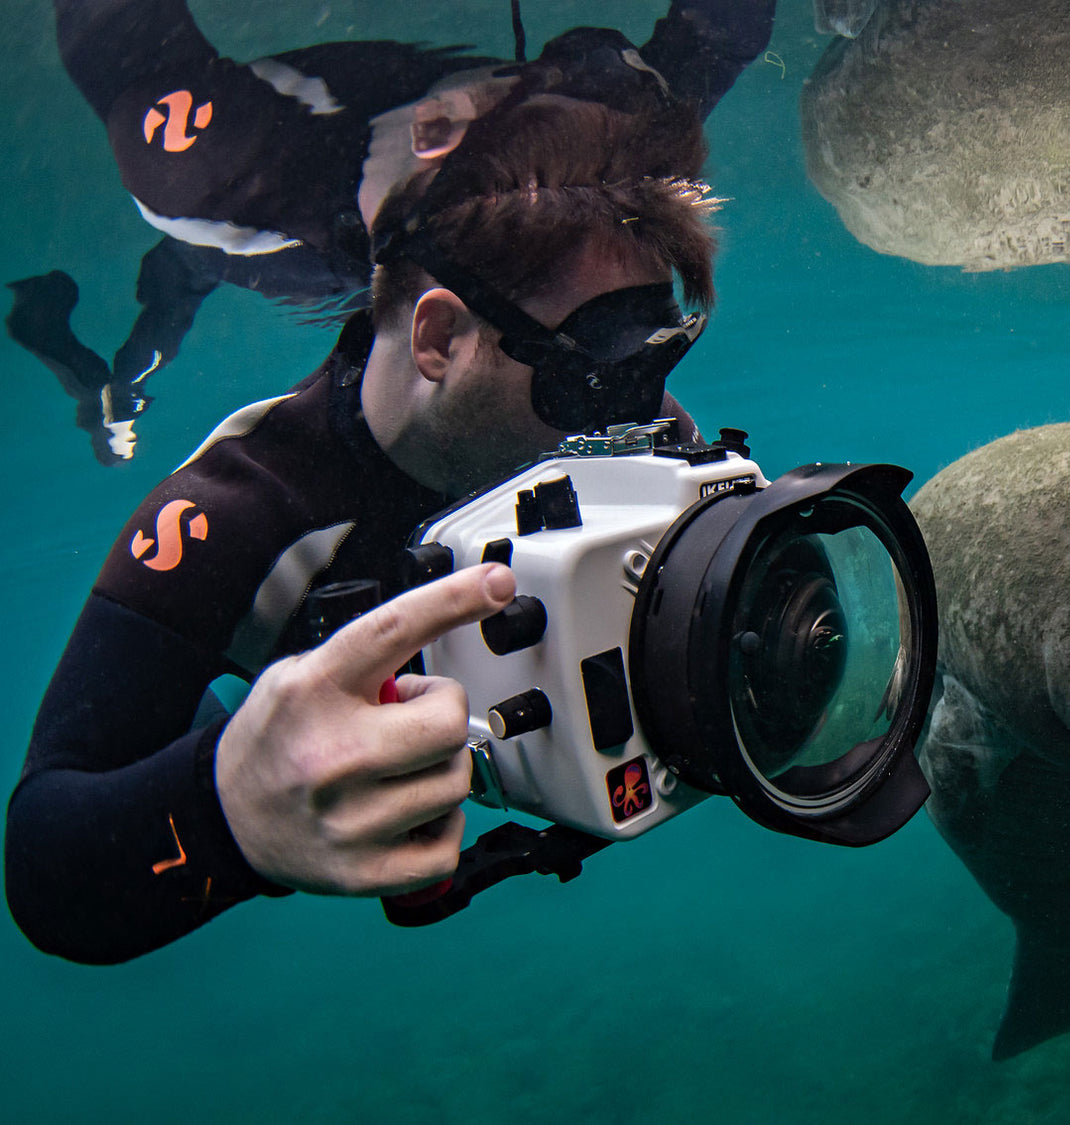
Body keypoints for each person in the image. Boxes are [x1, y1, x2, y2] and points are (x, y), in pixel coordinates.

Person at [4, 24, 731, 964]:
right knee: (178, 231)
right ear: (437, 340)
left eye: (653, 360)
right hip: (233, 181)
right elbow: (43, 863)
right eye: (590, 373)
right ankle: (115, 376)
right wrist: (228, 811)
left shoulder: (637, 431)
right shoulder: (244, 508)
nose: (637, 416)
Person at [6, 0, 775, 464]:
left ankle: (113, 388)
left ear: (441, 123)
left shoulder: (210, 167)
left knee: (174, 287)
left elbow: (107, 29)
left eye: (542, 89)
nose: (554, 78)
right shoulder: (613, 155)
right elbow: (720, 36)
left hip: (240, 235)